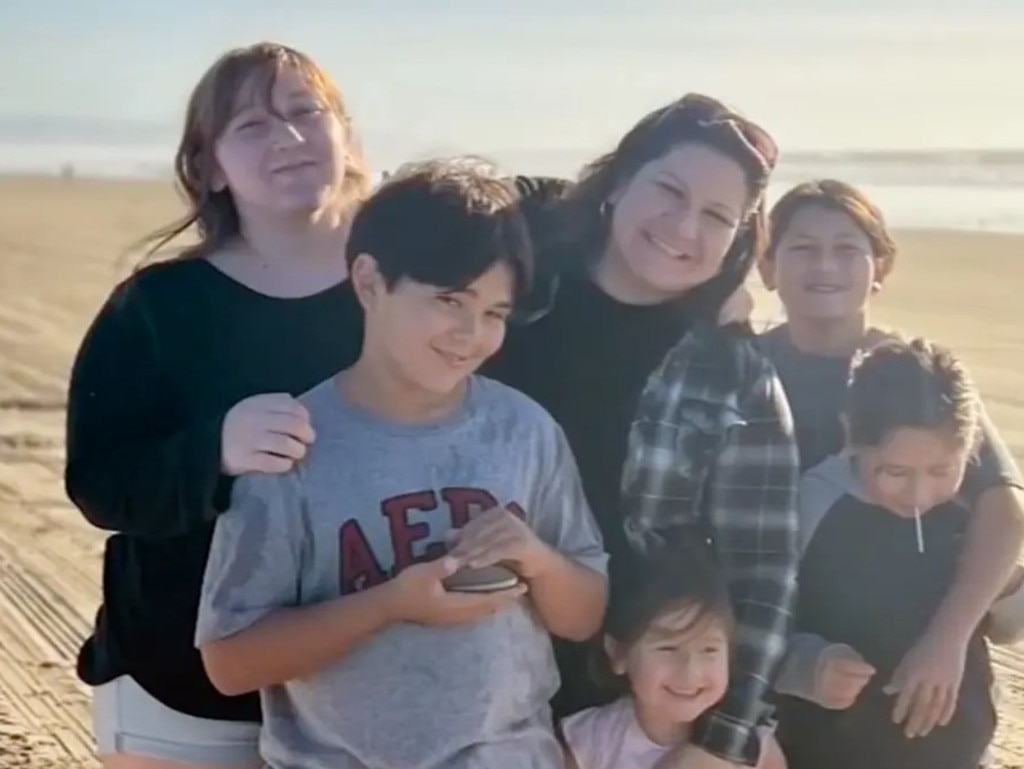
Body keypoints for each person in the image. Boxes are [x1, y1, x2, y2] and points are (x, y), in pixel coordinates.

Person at [195, 160, 609, 769]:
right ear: (368, 282)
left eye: (495, 313)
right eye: (449, 300)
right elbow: (229, 662)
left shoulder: (524, 431)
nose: (471, 335)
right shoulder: (296, 444)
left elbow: (584, 617)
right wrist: (389, 605)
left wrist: (539, 559)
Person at [63, 42, 370, 769]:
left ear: (344, 134)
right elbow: (101, 482)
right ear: (207, 167)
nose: (288, 138)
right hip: (183, 684)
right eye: (252, 126)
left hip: (367, 686)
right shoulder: (158, 306)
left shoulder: (406, 285)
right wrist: (215, 451)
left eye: (306, 113)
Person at [487, 93, 799, 769]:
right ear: (620, 179)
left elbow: (764, 570)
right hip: (469, 654)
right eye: (669, 190)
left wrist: (725, 739)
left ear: (737, 240)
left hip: (624, 695)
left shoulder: (731, 367)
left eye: (717, 216)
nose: (685, 226)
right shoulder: (515, 289)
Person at [757, 179, 1024, 740]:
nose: (825, 265)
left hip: (934, 690)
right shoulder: (742, 373)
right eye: (803, 247)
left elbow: (1003, 501)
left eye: (848, 248)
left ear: (880, 266)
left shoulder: (915, 375)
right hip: (802, 691)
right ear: (767, 264)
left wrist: (946, 640)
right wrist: (796, 663)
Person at [772, 337, 1024, 769]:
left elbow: (1007, 628)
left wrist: (1010, 589)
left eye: (942, 470)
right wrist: (809, 667)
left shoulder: (973, 512)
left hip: (957, 755)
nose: (919, 495)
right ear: (851, 433)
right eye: (894, 472)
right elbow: (759, 621)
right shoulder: (811, 504)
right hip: (829, 752)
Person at [561, 542, 787, 769]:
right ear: (619, 653)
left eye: (709, 650)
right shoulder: (594, 740)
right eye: (668, 649)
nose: (690, 671)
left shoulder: (747, 740)